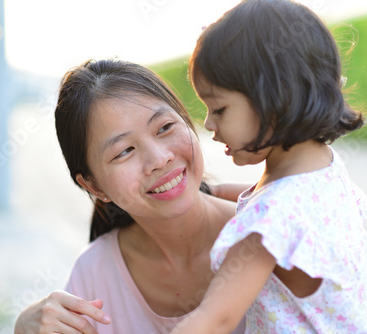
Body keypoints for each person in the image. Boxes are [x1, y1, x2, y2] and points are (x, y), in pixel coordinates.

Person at [170, 0, 367, 333]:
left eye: (219, 109)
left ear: (277, 98)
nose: (208, 123)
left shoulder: (268, 225)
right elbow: (278, 202)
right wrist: (211, 192)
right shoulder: (321, 170)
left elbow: (215, 319)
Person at [14, 59, 248, 333]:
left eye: (165, 127)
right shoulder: (94, 274)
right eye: (124, 151)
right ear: (94, 186)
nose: (159, 159)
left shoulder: (270, 233)